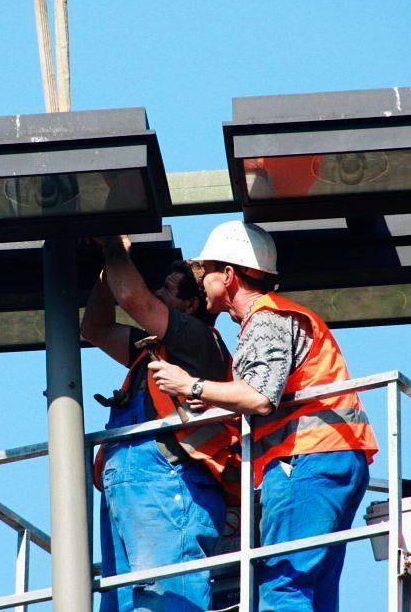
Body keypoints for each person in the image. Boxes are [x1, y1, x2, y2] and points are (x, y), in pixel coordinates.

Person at [148, 221, 378, 612]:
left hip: (305, 459)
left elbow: (259, 397)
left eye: (208, 272)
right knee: (315, 589)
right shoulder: (280, 316)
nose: (201, 281)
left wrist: (193, 387)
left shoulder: (266, 318)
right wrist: (218, 402)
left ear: (230, 275)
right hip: (336, 457)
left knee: (282, 587)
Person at [81, 235, 237, 612]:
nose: (157, 292)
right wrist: (109, 269)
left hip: (170, 481)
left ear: (191, 304)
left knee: (166, 597)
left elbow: (134, 300)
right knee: (122, 601)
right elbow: (96, 328)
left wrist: (114, 247)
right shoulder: (153, 348)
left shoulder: (197, 338)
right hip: (130, 485)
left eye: (168, 289)